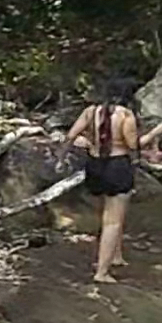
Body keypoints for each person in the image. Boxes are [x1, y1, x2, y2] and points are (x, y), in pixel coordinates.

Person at [63, 78, 140, 284]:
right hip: (117, 165)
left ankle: (115, 255)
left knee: (105, 215)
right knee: (113, 221)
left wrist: (62, 156)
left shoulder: (91, 111)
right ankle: (102, 272)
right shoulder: (126, 115)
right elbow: (132, 144)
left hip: (95, 165)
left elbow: (71, 135)